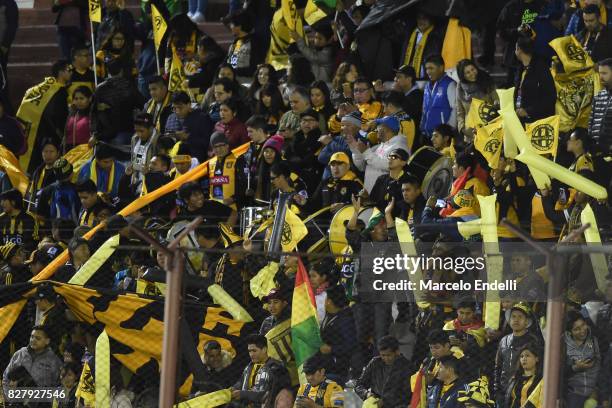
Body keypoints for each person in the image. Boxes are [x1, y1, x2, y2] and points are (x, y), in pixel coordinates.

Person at [17, 60, 71, 174]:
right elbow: (58, 115)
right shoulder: (60, 92)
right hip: (48, 134)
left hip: (32, 132)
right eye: (69, 70)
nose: (71, 73)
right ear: (61, 72)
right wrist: (61, 133)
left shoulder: (42, 87)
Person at [494, 303, 542, 402]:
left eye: (520, 317)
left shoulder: (533, 340)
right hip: (503, 390)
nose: (516, 320)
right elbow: (498, 366)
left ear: (526, 321)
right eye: (513, 316)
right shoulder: (504, 340)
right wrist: (496, 389)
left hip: (523, 388)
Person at [91, 58, 144, 148]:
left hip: (103, 135)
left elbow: (93, 114)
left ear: (108, 71)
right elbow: (143, 104)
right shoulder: (129, 87)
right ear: (122, 71)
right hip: (125, 132)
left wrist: (95, 134)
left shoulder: (99, 89)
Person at [349, 115, 408, 193]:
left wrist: (366, 152)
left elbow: (389, 165)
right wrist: (356, 151)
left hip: (385, 195)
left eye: (379, 126)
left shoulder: (400, 146)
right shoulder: (378, 147)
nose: (376, 129)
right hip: (370, 194)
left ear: (387, 129)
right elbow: (361, 167)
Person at [355, 335, 413, 408]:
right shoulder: (375, 363)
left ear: (397, 352)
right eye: (383, 355)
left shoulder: (407, 367)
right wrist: (366, 394)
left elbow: (407, 395)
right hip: (375, 403)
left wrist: (385, 401)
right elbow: (359, 385)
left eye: (389, 355)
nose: (386, 358)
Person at [514, 35, 556, 123]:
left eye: (515, 49)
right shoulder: (520, 68)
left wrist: (528, 111)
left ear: (519, 50)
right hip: (519, 119)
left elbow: (550, 97)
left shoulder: (541, 68)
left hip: (536, 122)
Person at [319, 284, 357, 382]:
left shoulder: (345, 321)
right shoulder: (329, 314)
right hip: (323, 364)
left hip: (337, 370)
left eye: (325, 298)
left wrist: (331, 349)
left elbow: (351, 346)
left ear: (329, 302)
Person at [231, 334, 281, 406]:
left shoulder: (276, 368)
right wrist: (233, 388)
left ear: (264, 349)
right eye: (249, 351)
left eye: (254, 351)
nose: (251, 354)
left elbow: (271, 394)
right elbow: (241, 382)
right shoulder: (249, 367)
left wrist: (243, 394)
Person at [563, 311, 601, 407]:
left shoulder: (594, 340)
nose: (582, 330)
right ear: (569, 332)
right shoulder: (562, 345)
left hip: (593, 393)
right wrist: (575, 368)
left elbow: (599, 365)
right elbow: (559, 372)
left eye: (583, 325)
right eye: (577, 329)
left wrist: (596, 389)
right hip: (573, 394)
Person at [165, 91, 214, 163]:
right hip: (181, 162)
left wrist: (188, 137)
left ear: (189, 104)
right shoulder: (179, 119)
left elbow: (207, 143)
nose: (177, 111)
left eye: (180, 107)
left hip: (197, 162)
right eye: (174, 108)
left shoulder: (202, 118)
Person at [455, 59, 498, 141]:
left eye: (473, 69)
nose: (472, 73)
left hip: (489, 130)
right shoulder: (460, 87)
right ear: (462, 76)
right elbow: (460, 111)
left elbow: (496, 101)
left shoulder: (487, 80)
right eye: (467, 72)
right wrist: (463, 129)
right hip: (470, 134)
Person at [205, 131, 247, 212]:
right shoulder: (210, 163)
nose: (218, 149)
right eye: (215, 147)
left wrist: (233, 199)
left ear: (227, 145)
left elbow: (244, 185)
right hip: (214, 209)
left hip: (233, 208)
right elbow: (209, 185)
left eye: (221, 145)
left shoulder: (238, 160)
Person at [420, 55, 457, 139]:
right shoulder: (427, 86)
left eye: (431, 68)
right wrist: (422, 128)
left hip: (442, 137)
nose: (428, 72)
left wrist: (448, 131)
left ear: (441, 68)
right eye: (426, 69)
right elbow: (424, 109)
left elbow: (456, 108)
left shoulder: (450, 84)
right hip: (427, 135)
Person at [400, 12, 444, 80]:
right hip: (408, 76)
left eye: (424, 18)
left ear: (431, 19)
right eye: (419, 18)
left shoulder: (435, 37)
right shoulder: (410, 34)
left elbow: (434, 58)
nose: (421, 21)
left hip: (426, 77)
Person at [368, 148, 410, 216]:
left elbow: (407, 207)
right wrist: (365, 197)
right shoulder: (381, 179)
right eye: (389, 156)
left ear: (403, 162)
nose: (390, 159)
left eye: (394, 157)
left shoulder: (408, 182)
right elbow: (373, 201)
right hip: (379, 221)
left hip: (398, 222)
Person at [504, 343, 543, 408]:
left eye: (527, 355)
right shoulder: (515, 379)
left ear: (537, 359)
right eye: (521, 356)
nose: (524, 359)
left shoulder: (540, 380)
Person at [129, 112, 159, 194]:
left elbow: (163, 168)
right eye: (136, 131)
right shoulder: (134, 139)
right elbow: (134, 160)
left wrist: (149, 173)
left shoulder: (158, 141)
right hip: (136, 180)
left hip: (152, 185)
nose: (139, 134)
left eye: (142, 131)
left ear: (151, 128)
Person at [226, 11, 259, 84]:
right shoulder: (235, 43)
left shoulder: (254, 43)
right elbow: (230, 63)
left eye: (232, 24)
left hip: (246, 84)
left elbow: (253, 69)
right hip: (232, 83)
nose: (230, 27)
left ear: (239, 26)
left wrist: (233, 71)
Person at [589, 58, 612, 152]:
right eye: (600, 73)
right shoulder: (598, 96)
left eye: (604, 73)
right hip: (596, 153)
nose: (601, 77)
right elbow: (591, 124)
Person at [64, 86, 93, 152]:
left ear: (90, 98)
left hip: (86, 153)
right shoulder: (71, 114)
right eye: (76, 99)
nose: (78, 101)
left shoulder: (94, 114)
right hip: (70, 152)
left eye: (81, 98)